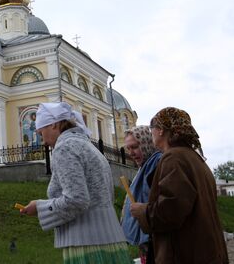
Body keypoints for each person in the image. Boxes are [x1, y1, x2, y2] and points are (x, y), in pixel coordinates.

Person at [20, 102, 131, 264]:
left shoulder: (65, 147)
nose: (42, 140)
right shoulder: (89, 147)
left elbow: (76, 200)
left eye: (41, 132)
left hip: (86, 245)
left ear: (53, 124)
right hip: (110, 240)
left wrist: (40, 207)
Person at [130, 107, 228, 264]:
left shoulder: (174, 158)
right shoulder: (196, 159)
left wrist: (142, 211)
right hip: (206, 249)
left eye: (152, 128)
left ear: (161, 130)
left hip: (187, 252)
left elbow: (170, 211)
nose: (151, 133)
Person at [121, 126, 162, 264]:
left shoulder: (157, 163)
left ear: (146, 143)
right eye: (128, 148)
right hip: (147, 237)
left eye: (135, 147)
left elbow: (162, 201)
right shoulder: (144, 167)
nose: (131, 153)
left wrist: (142, 210)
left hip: (156, 237)